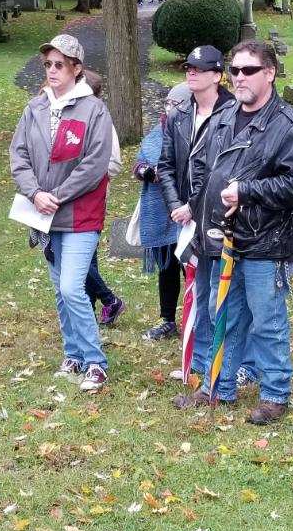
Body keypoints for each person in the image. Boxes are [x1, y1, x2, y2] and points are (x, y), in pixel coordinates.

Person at [176, 40, 293, 424]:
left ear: (269, 73)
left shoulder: (289, 125)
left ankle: (274, 394)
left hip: (266, 241)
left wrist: (248, 191)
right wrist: (199, 210)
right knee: (222, 313)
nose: (239, 77)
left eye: (248, 70)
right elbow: (203, 168)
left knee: (267, 321)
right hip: (222, 237)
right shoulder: (223, 116)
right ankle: (217, 387)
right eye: (234, 70)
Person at [10, 34, 114, 392]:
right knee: (59, 289)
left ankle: (96, 362)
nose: (52, 71)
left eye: (60, 65)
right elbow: (19, 155)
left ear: (76, 68)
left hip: (80, 215)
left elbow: (95, 164)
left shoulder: (94, 110)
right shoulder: (35, 107)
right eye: (48, 65)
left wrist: (57, 195)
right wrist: (35, 193)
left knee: (72, 287)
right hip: (43, 215)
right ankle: (73, 355)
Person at [154, 45, 235, 352]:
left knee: (217, 292)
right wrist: (176, 205)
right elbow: (166, 165)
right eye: (189, 68)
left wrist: (193, 206)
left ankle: (223, 360)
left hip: (217, 215)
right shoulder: (179, 114)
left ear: (217, 76)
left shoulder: (232, 114)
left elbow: (220, 169)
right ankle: (199, 359)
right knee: (196, 290)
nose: (191, 73)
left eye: (199, 69)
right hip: (185, 218)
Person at [131, 85, 186, 340]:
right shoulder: (158, 131)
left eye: (176, 103)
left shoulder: (191, 130)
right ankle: (167, 320)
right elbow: (139, 163)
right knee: (167, 267)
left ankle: (199, 320)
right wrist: (147, 171)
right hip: (159, 210)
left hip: (186, 210)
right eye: (167, 102)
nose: (169, 107)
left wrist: (168, 173)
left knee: (192, 268)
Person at [81, 70, 126, 328]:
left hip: (92, 199)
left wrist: (86, 178)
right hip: (67, 201)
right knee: (86, 255)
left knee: (80, 255)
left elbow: (114, 163)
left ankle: (108, 300)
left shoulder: (102, 120)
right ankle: (90, 307)